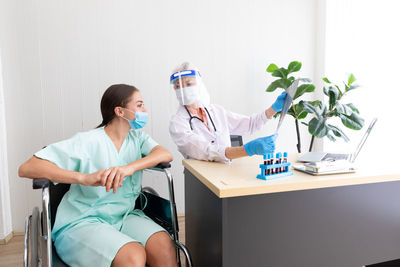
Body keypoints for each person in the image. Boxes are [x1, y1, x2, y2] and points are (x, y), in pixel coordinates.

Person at [18, 84, 177, 267]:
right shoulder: (87, 141)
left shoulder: (138, 139)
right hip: (83, 221)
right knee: (133, 257)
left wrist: (129, 168)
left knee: (164, 245)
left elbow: (165, 154)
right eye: (139, 105)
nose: (145, 110)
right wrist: (83, 178)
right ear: (120, 111)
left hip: (124, 216)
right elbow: (27, 168)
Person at [169, 62, 287, 162]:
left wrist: (274, 109)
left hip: (226, 173)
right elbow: (207, 150)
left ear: (199, 84)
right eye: (178, 86)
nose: (183, 89)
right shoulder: (177, 123)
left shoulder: (216, 112)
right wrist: (247, 150)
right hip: (200, 179)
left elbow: (250, 124)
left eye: (189, 84)